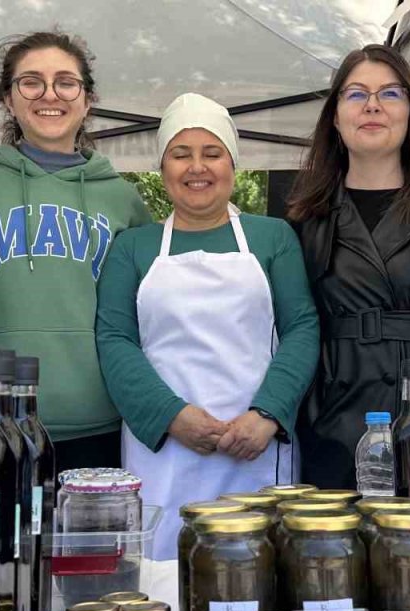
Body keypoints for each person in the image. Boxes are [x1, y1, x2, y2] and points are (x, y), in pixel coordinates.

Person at [96, 93, 319, 557]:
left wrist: (268, 414)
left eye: (212, 153)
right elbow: (115, 340)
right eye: (181, 154)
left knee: (257, 567)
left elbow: (301, 327)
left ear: (233, 165)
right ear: (162, 168)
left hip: (256, 447)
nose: (197, 167)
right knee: (164, 570)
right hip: (164, 451)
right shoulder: (133, 247)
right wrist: (171, 416)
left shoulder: (273, 237)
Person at [0, 31, 152, 476]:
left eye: (65, 82)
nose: (49, 95)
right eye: (31, 82)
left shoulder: (123, 198)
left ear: (87, 99)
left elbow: (146, 314)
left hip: (101, 422)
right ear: (9, 99)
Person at [288, 44, 410, 490]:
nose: (372, 105)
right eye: (356, 94)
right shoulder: (303, 218)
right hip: (333, 419)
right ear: (335, 116)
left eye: (390, 93)